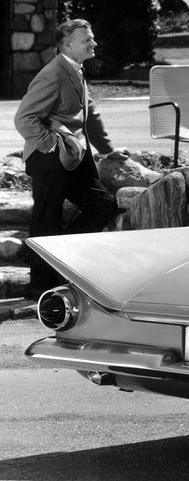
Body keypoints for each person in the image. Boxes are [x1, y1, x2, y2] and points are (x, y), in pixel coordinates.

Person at [13, 19, 118, 294]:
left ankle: (57, 260)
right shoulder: (53, 73)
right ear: (67, 44)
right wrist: (50, 145)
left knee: (102, 206)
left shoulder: (75, 69)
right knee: (46, 219)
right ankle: (40, 287)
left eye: (92, 38)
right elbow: (25, 118)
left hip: (76, 156)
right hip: (50, 158)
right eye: (87, 39)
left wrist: (107, 149)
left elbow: (89, 113)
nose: (93, 43)